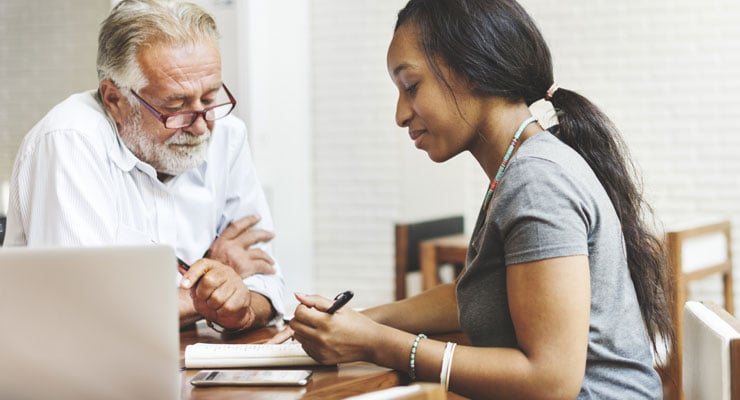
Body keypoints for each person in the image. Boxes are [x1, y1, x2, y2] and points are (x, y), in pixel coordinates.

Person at [277, 0, 675, 398]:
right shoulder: (521, 166)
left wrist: (376, 343)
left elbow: (550, 382)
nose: (400, 114)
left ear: (472, 68)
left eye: (411, 87)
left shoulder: (536, 179)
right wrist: (361, 320)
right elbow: (477, 295)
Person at [5, 0, 286, 333]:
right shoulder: (69, 139)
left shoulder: (226, 134)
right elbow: (82, 311)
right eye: (176, 106)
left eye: (209, 99)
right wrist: (210, 290)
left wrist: (241, 306)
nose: (200, 127)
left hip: (184, 362)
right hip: (71, 376)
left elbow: (270, 286)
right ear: (115, 100)